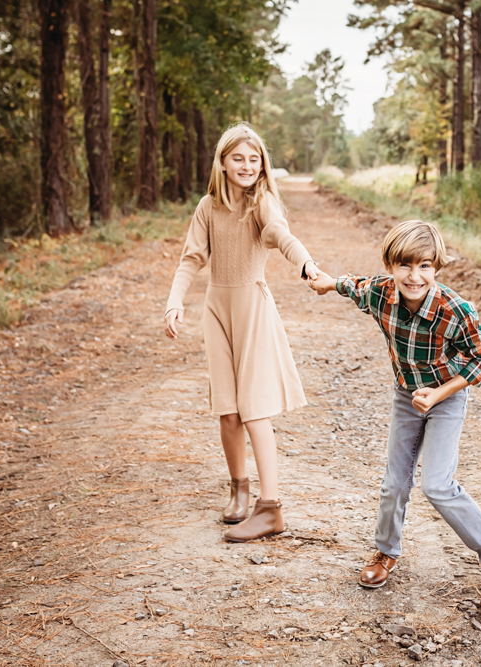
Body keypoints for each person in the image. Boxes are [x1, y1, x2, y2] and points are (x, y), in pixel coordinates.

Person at [306, 220, 481, 611]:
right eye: (405, 266)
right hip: (405, 396)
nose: (414, 276)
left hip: (447, 397)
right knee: (394, 482)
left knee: (437, 485)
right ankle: (386, 552)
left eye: (425, 266)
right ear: (391, 266)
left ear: (436, 267)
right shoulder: (381, 294)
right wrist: (326, 283)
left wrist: (440, 392)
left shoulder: (454, 310)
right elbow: (353, 286)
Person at [164, 123, 318, 542]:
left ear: (262, 165)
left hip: (252, 308)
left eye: (254, 159)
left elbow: (278, 234)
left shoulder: (262, 202)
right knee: (228, 409)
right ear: (223, 163)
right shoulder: (207, 207)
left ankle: (271, 507)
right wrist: (175, 301)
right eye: (239, 158)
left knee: (254, 408)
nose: (248, 166)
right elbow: (191, 258)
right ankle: (239, 488)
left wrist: (305, 264)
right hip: (217, 308)